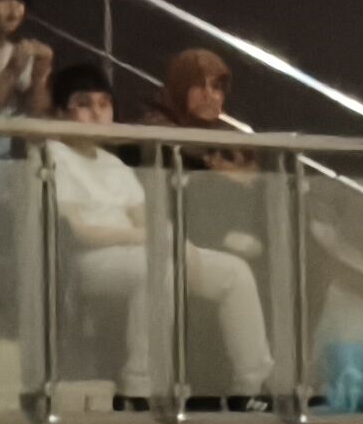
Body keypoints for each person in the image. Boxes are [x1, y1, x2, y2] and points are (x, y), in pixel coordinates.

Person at [44, 66, 274, 405]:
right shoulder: (52, 154)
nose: (97, 113)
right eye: (84, 104)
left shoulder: (114, 164)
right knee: (157, 269)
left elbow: (147, 219)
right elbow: (79, 231)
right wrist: (145, 239)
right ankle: (140, 385)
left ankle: (252, 385)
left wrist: (183, 246)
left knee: (232, 272)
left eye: (104, 104)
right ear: (62, 113)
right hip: (88, 261)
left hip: (141, 251)